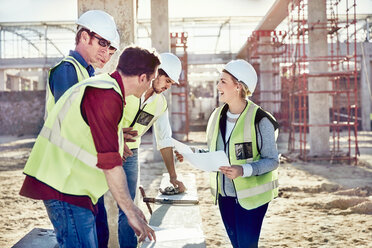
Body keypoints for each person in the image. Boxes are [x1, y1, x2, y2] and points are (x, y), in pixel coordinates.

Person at [19, 46, 161, 248]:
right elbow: (110, 164)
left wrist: (117, 139)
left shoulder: (104, 88)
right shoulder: (106, 94)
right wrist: (130, 211)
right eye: (152, 80)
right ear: (143, 78)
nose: (150, 86)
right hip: (65, 187)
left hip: (71, 186)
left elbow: (84, 134)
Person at [175, 59, 279, 248]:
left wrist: (243, 169)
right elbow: (217, 153)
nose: (217, 86)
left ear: (238, 86)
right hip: (225, 196)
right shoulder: (216, 116)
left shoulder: (260, 119)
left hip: (252, 199)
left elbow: (272, 160)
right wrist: (193, 153)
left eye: (223, 81)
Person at [96, 52, 186, 248]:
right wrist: (115, 137)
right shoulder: (126, 88)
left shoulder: (161, 104)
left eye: (171, 83)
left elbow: (164, 139)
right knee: (95, 201)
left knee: (128, 208)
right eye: (167, 80)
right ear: (155, 73)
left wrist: (172, 176)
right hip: (103, 147)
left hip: (130, 155)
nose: (167, 86)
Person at [45, 9, 120, 119]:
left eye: (108, 46)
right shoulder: (67, 70)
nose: (105, 52)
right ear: (84, 37)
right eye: (102, 43)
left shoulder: (86, 72)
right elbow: (70, 119)